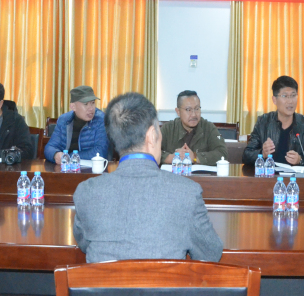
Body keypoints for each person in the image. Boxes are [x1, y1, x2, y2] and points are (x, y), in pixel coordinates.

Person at [73, 92, 223, 263]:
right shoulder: (187, 192)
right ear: (152, 136)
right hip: (164, 281)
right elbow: (210, 253)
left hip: (104, 281)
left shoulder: (86, 192)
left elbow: (84, 244)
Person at [242, 76, 304, 166]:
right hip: (270, 174)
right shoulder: (263, 122)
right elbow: (246, 156)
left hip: (294, 175)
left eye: (293, 95)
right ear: (274, 100)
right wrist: (263, 154)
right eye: (285, 96)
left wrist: (300, 159)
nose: (290, 101)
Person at [160, 90, 228, 166]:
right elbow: (151, 151)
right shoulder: (168, 129)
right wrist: (171, 157)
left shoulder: (208, 128)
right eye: (188, 110)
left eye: (197, 109)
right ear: (178, 111)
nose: (194, 114)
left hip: (200, 174)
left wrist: (195, 157)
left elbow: (222, 153)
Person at [44, 85, 109, 164]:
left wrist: (69, 157)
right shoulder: (64, 120)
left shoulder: (101, 120)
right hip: (66, 168)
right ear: (73, 107)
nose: (91, 108)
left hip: (91, 169)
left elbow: (100, 152)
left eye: (92, 103)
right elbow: (49, 147)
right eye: (86, 104)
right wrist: (56, 154)